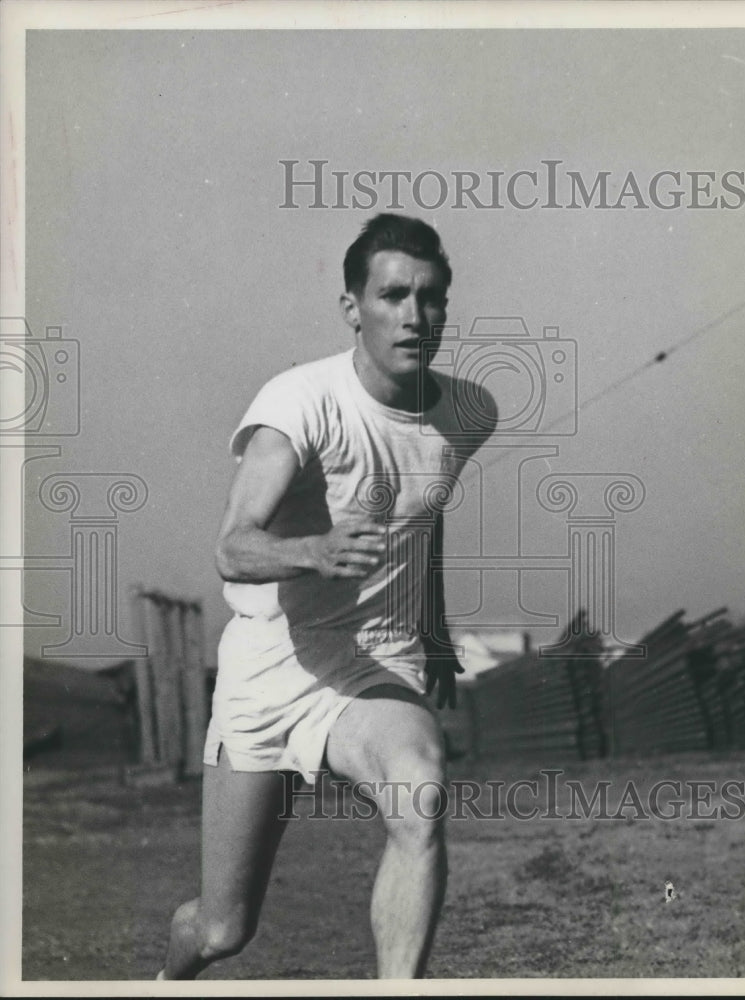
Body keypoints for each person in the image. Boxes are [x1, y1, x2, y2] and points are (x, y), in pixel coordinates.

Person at [160, 213, 495, 980]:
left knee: (421, 794)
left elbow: (425, 512)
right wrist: (316, 550)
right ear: (353, 307)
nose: (414, 316)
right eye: (393, 295)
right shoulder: (299, 402)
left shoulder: (467, 414)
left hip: (374, 662)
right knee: (221, 930)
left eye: (432, 297)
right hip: (271, 671)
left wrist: (434, 631)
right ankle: (165, 979)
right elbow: (232, 545)